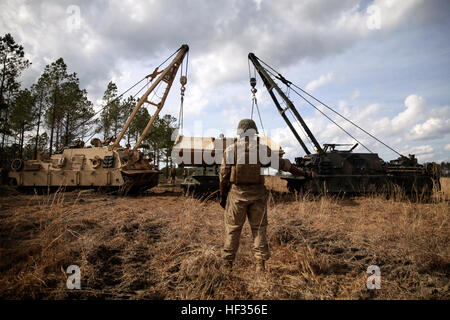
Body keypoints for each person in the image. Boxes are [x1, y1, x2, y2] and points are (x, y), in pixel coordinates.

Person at [219, 119, 305, 272]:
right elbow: (285, 165)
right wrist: (304, 174)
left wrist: (222, 196)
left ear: (239, 132)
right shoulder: (262, 150)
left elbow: (223, 176)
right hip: (258, 194)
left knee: (233, 229)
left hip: (237, 195)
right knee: (259, 229)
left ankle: (227, 264)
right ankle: (260, 265)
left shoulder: (231, 150)